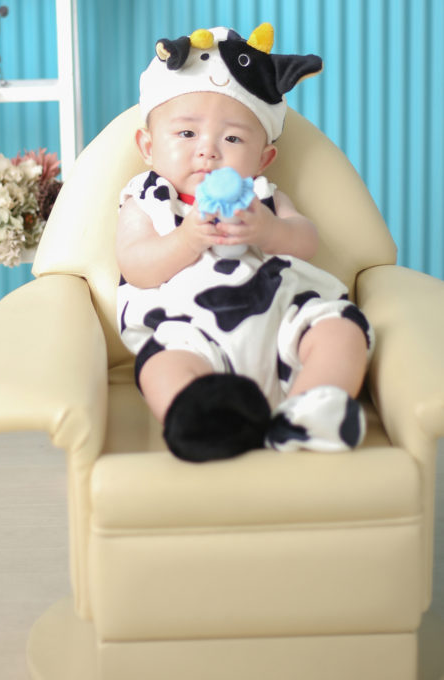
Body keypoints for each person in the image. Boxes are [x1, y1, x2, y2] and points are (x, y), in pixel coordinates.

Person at [116, 24, 373, 461]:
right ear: (148, 146)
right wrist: (187, 238)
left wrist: (270, 231)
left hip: (282, 321)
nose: (208, 151)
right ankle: (204, 419)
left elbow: (306, 241)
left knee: (341, 330)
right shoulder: (147, 200)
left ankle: (312, 407)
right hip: (190, 333)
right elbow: (136, 265)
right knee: (158, 365)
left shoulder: (262, 196)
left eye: (233, 138)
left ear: (262, 158)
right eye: (186, 134)